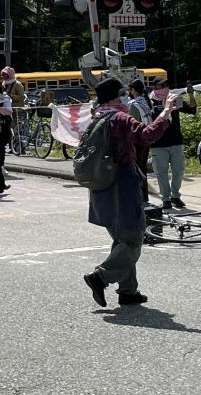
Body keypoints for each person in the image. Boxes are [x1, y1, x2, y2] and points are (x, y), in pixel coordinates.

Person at [84, 77, 176, 307]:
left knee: (121, 239)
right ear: (115, 96)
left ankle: (127, 291)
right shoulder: (120, 118)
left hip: (100, 185)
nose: (126, 96)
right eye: (123, 93)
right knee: (134, 238)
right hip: (122, 184)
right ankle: (100, 276)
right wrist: (165, 112)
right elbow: (146, 135)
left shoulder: (96, 118)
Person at [149, 77, 196, 209]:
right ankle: (166, 198)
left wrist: (191, 95)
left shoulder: (174, 98)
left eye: (165, 84)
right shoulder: (150, 101)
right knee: (161, 173)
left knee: (179, 171)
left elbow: (191, 109)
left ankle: (175, 196)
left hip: (176, 141)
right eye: (160, 85)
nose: (164, 87)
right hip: (158, 143)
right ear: (154, 87)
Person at [127, 79, 153, 202]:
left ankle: (140, 197)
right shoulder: (147, 102)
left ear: (132, 90)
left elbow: (132, 124)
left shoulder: (134, 104)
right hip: (147, 139)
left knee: (137, 169)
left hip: (137, 141)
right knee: (142, 168)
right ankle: (145, 197)